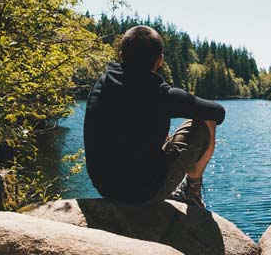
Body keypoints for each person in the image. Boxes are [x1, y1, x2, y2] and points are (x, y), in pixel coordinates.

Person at [84, 25, 225, 207]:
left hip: (104, 187)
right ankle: (191, 192)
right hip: (143, 193)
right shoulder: (160, 95)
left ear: (121, 55)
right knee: (206, 121)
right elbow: (218, 112)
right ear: (160, 60)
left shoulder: (102, 84)